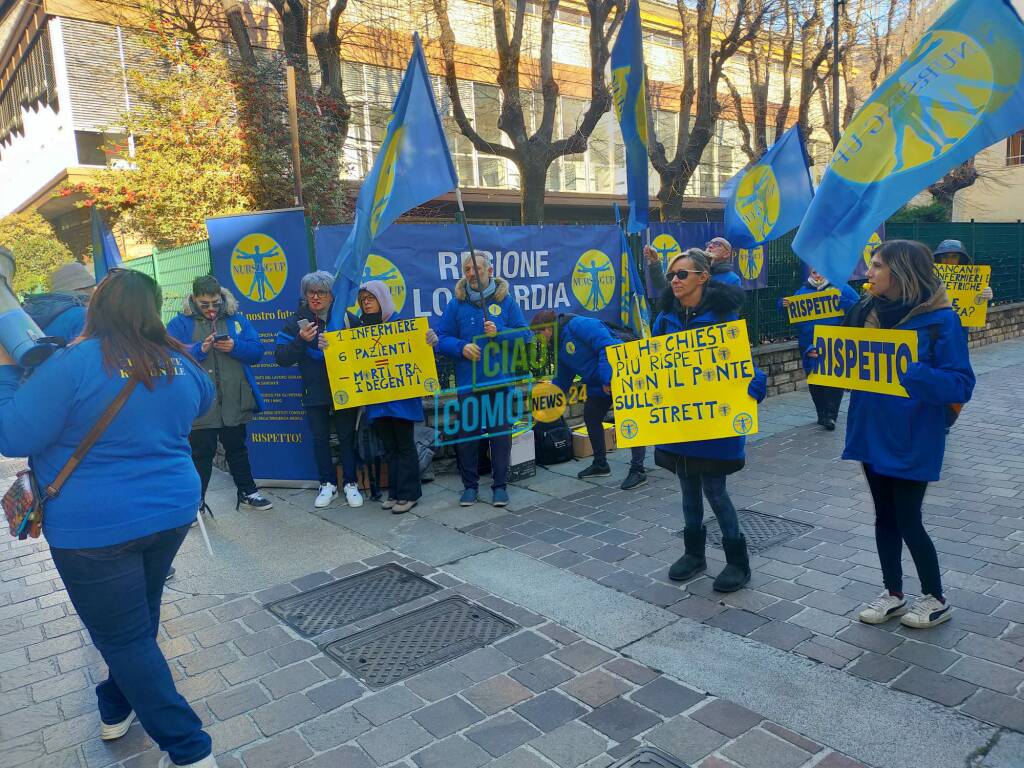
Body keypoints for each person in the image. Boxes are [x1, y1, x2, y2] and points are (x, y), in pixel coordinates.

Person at [0, 269, 218, 768]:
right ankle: (117, 703)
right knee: (139, 618)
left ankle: (189, 750)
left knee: (124, 637)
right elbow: (203, 403)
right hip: (171, 512)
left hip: (94, 528)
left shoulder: (71, 363)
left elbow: (11, 435)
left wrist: (6, 370)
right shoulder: (179, 361)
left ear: (95, 307)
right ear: (153, 308)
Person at [844, 240, 975, 629]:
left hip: (913, 436)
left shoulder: (941, 321)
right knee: (884, 517)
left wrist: (911, 372)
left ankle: (935, 597)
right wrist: (823, 359)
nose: (869, 272)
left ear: (902, 272)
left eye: (878, 265)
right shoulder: (864, 311)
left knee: (908, 518)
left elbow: (960, 385)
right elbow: (849, 361)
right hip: (870, 429)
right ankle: (893, 594)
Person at [654, 248, 767, 593]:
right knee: (687, 487)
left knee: (715, 491)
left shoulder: (724, 317)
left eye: (682, 274)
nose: (674, 280)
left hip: (715, 422)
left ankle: (737, 562)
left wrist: (754, 386)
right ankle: (694, 554)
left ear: (703, 277)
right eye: (671, 275)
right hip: (680, 421)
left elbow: (744, 364)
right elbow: (655, 363)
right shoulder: (664, 318)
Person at [168, 275, 271, 514]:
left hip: (233, 399)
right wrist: (198, 350)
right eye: (205, 305)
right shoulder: (180, 323)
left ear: (221, 297)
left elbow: (257, 351)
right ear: (194, 299)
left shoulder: (236, 319)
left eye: (215, 303)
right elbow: (168, 355)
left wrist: (236, 347)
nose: (211, 309)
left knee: (237, 449)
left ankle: (248, 491)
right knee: (201, 454)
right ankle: (196, 503)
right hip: (200, 403)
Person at [435, 251, 530, 507]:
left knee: (500, 437)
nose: (471, 273)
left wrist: (500, 332)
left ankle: (500, 486)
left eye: (476, 268)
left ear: (489, 271)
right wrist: (460, 348)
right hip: (468, 384)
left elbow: (526, 336)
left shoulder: (506, 301)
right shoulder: (456, 304)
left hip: (499, 382)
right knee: (467, 438)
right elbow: (441, 339)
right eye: (466, 269)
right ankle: (469, 486)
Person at [529, 309, 647, 489]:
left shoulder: (578, 325)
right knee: (591, 417)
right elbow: (563, 377)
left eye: (537, 333)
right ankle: (601, 464)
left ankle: (638, 469)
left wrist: (607, 379)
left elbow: (607, 346)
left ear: (547, 329)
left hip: (619, 375)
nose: (537, 338)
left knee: (629, 418)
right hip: (597, 383)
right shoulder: (558, 344)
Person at [275, 271, 363, 509]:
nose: (315, 297)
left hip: (345, 389)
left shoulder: (347, 318)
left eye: (321, 292)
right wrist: (302, 341)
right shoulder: (296, 321)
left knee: (347, 438)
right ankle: (327, 484)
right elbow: (280, 357)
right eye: (311, 292)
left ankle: (351, 483)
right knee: (320, 439)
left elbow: (365, 351)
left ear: (332, 295)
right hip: (314, 392)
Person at [348, 280, 436, 514]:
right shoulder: (362, 329)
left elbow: (421, 351)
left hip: (402, 401)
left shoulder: (402, 325)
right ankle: (395, 492)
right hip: (378, 402)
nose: (366, 304)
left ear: (382, 299)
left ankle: (410, 494)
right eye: (363, 300)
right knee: (389, 448)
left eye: (371, 298)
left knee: (404, 445)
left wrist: (430, 340)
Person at [780, 268, 859, 430]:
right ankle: (821, 414)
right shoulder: (801, 292)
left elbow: (859, 308)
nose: (818, 274)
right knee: (814, 380)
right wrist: (783, 306)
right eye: (814, 271)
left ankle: (831, 415)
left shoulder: (841, 288)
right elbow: (791, 319)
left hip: (834, 343)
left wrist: (844, 302)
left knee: (834, 380)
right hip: (809, 344)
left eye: (821, 270)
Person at [22, 261, 96, 341]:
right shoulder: (84, 316)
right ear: (80, 289)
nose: (94, 291)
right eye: (91, 287)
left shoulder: (39, 315)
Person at [644, 235, 741, 293]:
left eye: (717, 244)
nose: (710, 246)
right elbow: (663, 287)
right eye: (709, 244)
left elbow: (730, 312)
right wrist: (655, 262)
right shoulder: (692, 271)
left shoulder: (732, 280)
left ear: (727, 254)